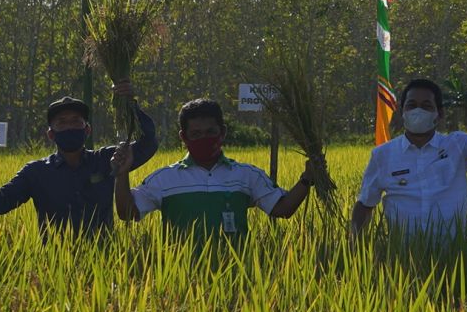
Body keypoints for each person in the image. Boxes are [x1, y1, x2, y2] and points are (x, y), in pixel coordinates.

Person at [0, 81, 157, 238]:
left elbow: (148, 143)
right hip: (55, 269)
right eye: (62, 122)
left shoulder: (107, 160)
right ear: (51, 134)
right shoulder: (36, 172)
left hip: (103, 264)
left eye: (76, 121)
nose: (69, 126)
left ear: (87, 129)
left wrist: (130, 104)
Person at [112, 98, 315, 242]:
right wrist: (122, 174)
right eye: (196, 134)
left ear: (223, 132)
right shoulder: (165, 179)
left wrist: (307, 179)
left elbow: (283, 209)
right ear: (184, 137)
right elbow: (127, 213)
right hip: (183, 282)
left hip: (237, 280)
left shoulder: (246, 175)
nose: (204, 139)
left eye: (211, 132)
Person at [350, 71, 467, 238]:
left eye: (426, 106)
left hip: (454, 256)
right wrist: (354, 246)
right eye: (411, 105)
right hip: (404, 257)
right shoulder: (382, 155)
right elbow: (365, 204)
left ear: (439, 114)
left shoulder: (457, 146)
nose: (418, 111)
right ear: (401, 111)